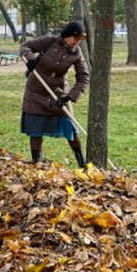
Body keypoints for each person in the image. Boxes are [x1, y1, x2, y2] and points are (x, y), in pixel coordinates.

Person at [18, 21, 90, 167]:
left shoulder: (76, 53)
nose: (77, 43)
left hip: (57, 93)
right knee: (35, 128)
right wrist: (30, 60)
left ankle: (82, 164)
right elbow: (25, 46)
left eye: (79, 40)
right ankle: (36, 163)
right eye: (75, 39)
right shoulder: (50, 42)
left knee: (70, 127)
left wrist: (69, 96)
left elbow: (83, 77)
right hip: (36, 91)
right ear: (67, 36)